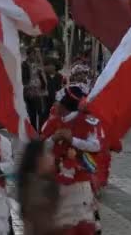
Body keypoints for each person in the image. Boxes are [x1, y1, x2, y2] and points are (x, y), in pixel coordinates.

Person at [40, 85, 102, 234]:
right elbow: (39, 148)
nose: (55, 105)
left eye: (58, 102)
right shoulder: (52, 122)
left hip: (79, 182)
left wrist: (72, 139)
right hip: (55, 180)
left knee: (81, 223)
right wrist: (54, 138)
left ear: (63, 104)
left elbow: (96, 146)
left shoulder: (88, 121)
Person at [18, 139, 61, 235]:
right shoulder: (33, 187)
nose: (52, 157)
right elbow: (42, 223)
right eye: (48, 153)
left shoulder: (50, 182)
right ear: (38, 158)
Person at [22, 47, 47, 131]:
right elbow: (24, 80)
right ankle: (33, 130)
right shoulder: (24, 65)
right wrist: (29, 85)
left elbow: (42, 76)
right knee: (32, 113)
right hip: (30, 92)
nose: (34, 57)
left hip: (38, 91)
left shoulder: (37, 65)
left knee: (41, 112)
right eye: (32, 54)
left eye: (35, 55)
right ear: (28, 55)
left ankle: (40, 130)